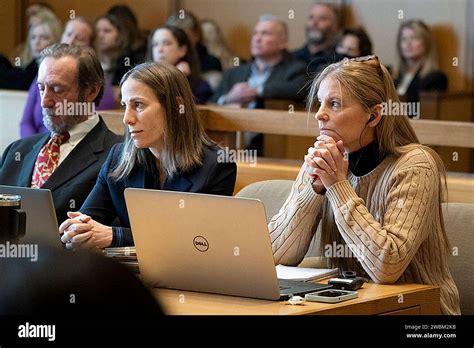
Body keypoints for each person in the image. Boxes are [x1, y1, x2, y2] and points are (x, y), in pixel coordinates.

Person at [268, 55, 460, 315]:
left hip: (416, 311)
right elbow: (275, 257)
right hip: (349, 305)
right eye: (321, 102)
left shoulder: (415, 165)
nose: (320, 115)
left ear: (374, 115)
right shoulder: (326, 158)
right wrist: (315, 190)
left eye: (334, 104)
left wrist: (337, 185)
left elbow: (386, 267)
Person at [58, 62, 237, 249]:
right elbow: (88, 218)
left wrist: (116, 235)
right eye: (125, 105)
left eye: (138, 105)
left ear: (176, 107)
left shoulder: (217, 165)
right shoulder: (118, 157)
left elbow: (195, 242)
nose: (127, 118)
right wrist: (76, 231)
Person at [0, 44, 122, 223]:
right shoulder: (17, 151)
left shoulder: (119, 156)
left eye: (57, 90)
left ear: (91, 91)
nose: (44, 102)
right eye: (42, 89)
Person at [211, 15, 307, 155]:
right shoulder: (234, 73)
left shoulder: (296, 69)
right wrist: (227, 98)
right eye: (255, 33)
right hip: (228, 148)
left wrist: (258, 91)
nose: (257, 38)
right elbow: (210, 103)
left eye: (265, 33)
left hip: (273, 148)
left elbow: (300, 89)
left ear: (283, 42)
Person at [20, 17, 117, 137]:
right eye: (68, 34)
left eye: (79, 38)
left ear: (90, 47)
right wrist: (34, 147)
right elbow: (26, 122)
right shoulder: (43, 75)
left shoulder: (98, 85)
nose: (70, 41)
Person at [147, 25, 212, 104]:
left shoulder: (200, 87)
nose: (159, 49)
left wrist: (177, 80)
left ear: (182, 50)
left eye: (166, 43)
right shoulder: (142, 80)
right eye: (155, 44)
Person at [394, 19, 447, 105]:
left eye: (414, 38)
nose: (408, 44)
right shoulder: (393, 75)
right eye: (404, 39)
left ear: (427, 43)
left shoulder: (435, 79)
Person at [0, 16, 62, 90]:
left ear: (56, 41)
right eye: (33, 37)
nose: (37, 42)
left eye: (44, 37)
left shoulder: (61, 72)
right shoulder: (27, 71)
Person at [292, 2, 340, 75]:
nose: (314, 23)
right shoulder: (292, 57)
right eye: (311, 17)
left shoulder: (338, 61)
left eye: (322, 18)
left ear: (334, 26)